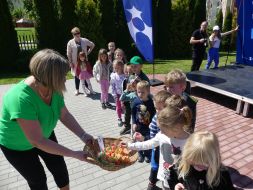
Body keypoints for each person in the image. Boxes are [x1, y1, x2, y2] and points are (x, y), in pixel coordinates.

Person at [0, 49, 94, 190]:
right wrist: (74, 154)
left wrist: (83, 135)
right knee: (38, 180)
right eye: (62, 75)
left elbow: (64, 115)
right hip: (17, 146)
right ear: (50, 78)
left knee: (60, 169)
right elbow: (37, 141)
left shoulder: (54, 88)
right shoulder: (20, 98)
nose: (65, 78)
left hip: (44, 134)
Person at [128, 97, 192, 190]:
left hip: (183, 180)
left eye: (163, 130)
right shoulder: (162, 136)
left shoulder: (191, 141)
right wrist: (131, 146)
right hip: (166, 177)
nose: (160, 132)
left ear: (175, 128)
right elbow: (148, 144)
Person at [147, 90, 172, 190]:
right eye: (156, 108)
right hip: (157, 147)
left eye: (160, 109)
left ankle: (164, 181)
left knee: (165, 166)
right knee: (155, 166)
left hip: (167, 149)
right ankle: (151, 184)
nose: (157, 111)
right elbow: (153, 134)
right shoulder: (156, 118)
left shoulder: (171, 119)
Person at [120, 56, 150, 135]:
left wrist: (140, 84)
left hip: (142, 104)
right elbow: (130, 89)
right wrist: (131, 88)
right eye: (132, 66)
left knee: (142, 121)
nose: (133, 68)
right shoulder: (131, 76)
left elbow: (147, 91)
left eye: (135, 66)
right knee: (133, 120)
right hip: (133, 101)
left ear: (141, 66)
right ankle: (133, 135)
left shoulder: (144, 78)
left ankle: (142, 135)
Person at [164, 69, 197, 133]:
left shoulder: (189, 102)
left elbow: (190, 122)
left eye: (171, 87)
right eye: (167, 86)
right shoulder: (166, 97)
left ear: (183, 87)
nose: (168, 89)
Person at [131, 81, 156, 163]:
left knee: (147, 141)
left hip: (148, 127)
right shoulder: (135, 101)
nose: (140, 94)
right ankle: (140, 154)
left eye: (143, 92)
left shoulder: (151, 103)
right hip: (139, 126)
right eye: (138, 92)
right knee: (138, 141)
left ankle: (147, 154)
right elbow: (133, 113)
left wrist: (152, 124)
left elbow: (153, 114)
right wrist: (134, 123)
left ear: (148, 92)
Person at [67, 27, 95, 95]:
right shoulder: (70, 42)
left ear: (80, 33)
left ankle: (87, 88)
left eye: (78, 33)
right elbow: (68, 53)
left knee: (85, 74)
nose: (77, 35)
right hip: (75, 62)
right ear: (73, 35)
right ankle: (77, 90)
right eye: (75, 34)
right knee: (77, 75)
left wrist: (88, 52)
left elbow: (92, 45)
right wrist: (70, 62)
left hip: (84, 62)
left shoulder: (84, 40)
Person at [110, 60, 125, 127]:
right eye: (115, 68)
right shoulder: (113, 76)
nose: (116, 69)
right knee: (118, 107)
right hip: (117, 94)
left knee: (124, 107)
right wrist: (114, 94)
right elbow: (112, 85)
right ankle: (119, 118)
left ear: (121, 67)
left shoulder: (125, 76)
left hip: (124, 95)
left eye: (117, 68)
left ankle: (126, 117)